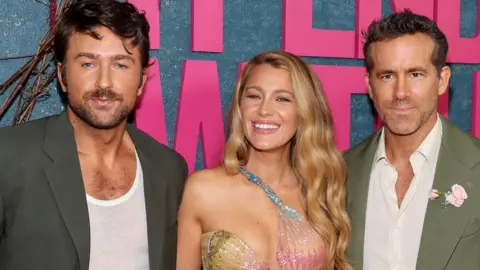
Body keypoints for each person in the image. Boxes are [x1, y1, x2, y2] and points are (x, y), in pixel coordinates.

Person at [0, 0, 188, 269]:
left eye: (121, 65)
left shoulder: (169, 169)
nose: (104, 82)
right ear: (63, 76)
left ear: (142, 81)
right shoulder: (8, 157)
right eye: (88, 64)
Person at [176, 51, 351, 270]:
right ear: (240, 107)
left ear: (304, 111)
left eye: (282, 99)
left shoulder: (320, 193)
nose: (264, 110)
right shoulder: (203, 190)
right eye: (254, 96)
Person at [345, 9, 480, 270]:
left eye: (415, 74)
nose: (401, 93)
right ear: (369, 86)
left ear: (442, 80)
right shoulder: (340, 172)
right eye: (387, 76)